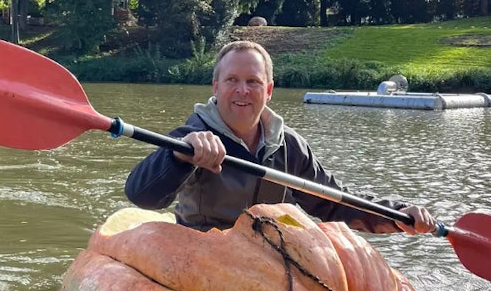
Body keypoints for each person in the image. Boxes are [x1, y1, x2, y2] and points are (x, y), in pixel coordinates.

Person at [125, 40, 436, 234]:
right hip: (203, 257)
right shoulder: (190, 137)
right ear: (215, 87)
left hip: (267, 255)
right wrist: (178, 157)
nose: (242, 90)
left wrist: (396, 214)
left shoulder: (288, 145)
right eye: (232, 80)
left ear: (269, 91)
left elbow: (333, 201)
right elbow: (142, 195)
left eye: (253, 81)